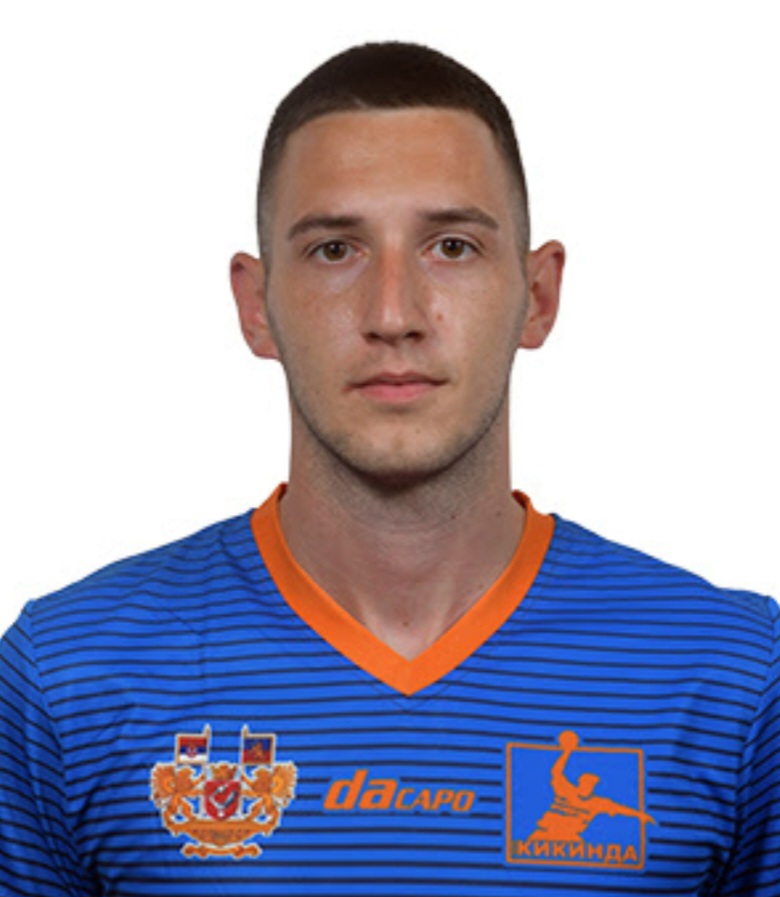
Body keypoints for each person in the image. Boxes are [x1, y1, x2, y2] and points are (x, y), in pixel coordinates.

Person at [0, 41, 777, 897]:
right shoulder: (68, 677)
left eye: (452, 246)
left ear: (538, 295)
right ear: (256, 308)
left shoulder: (733, 680)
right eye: (336, 250)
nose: (394, 313)